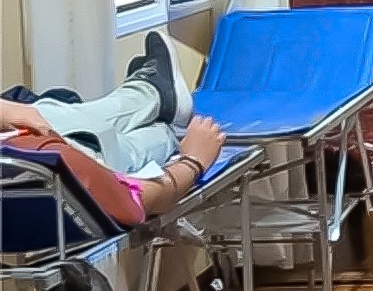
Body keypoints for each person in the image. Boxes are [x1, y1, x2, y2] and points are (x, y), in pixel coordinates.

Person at [0, 31, 225, 224]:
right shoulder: (54, 160)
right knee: (86, 136)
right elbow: (135, 200)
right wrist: (193, 161)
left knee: (51, 109)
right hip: (67, 177)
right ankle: (155, 106)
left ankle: (153, 99)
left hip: (44, 161)